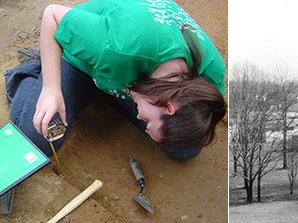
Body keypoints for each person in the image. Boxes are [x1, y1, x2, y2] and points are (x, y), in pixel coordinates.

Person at [6, 0, 227, 160]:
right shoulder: (118, 46)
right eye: (147, 122)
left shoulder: (207, 84)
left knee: (186, 147)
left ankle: (107, 90)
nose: (143, 122)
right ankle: (35, 70)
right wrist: (51, 89)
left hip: (125, 74)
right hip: (89, 59)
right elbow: (51, 15)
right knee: (37, 141)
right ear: (168, 106)